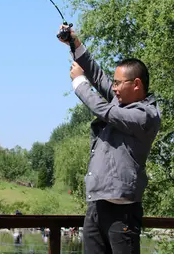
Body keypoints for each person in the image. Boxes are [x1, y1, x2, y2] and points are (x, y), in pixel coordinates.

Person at [57, 25, 161, 254]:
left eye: (117, 83)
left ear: (136, 84)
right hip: (96, 206)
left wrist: (79, 83)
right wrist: (75, 44)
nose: (112, 87)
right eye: (113, 83)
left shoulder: (145, 115)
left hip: (122, 212)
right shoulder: (119, 100)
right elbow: (97, 75)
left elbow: (105, 111)